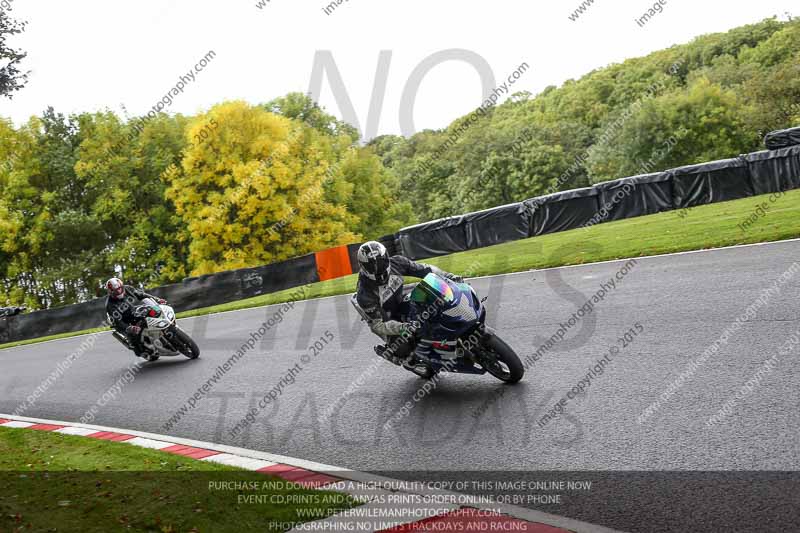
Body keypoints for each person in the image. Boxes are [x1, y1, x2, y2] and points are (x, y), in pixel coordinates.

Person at [355, 241, 462, 364]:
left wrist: (449, 276)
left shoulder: (398, 262)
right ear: (363, 266)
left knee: (433, 295)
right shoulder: (364, 294)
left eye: (381, 261)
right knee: (402, 348)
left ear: (386, 257)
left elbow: (426, 269)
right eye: (371, 266)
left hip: (400, 298)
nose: (377, 267)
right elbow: (378, 326)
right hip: (387, 316)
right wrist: (403, 327)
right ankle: (406, 359)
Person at [105, 277, 166, 358]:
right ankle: (139, 350)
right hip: (123, 322)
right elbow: (118, 322)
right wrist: (129, 328)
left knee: (150, 312)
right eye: (116, 290)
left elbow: (142, 295)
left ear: (122, 286)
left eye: (119, 288)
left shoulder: (128, 289)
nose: (119, 291)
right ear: (111, 292)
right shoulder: (109, 304)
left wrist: (157, 300)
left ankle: (161, 331)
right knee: (134, 334)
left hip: (133, 312)